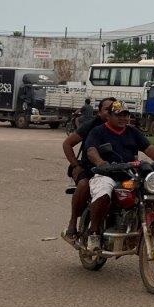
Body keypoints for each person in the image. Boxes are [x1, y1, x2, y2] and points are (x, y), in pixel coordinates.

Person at [84, 101, 154, 252]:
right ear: (109, 116)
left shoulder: (132, 131)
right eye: (119, 115)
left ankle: (139, 225)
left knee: (151, 192)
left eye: (126, 115)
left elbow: (148, 148)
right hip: (107, 173)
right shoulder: (98, 131)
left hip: (130, 173)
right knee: (103, 194)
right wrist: (101, 163)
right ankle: (94, 233)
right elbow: (91, 150)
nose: (123, 118)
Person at [59, 97, 115, 244]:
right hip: (88, 167)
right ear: (99, 112)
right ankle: (73, 222)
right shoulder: (91, 126)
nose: (110, 112)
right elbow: (67, 144)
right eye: (107, 109)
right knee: (84, 184)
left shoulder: (121, 126)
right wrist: (75, 165)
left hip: (111, 170)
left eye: (113, 109)